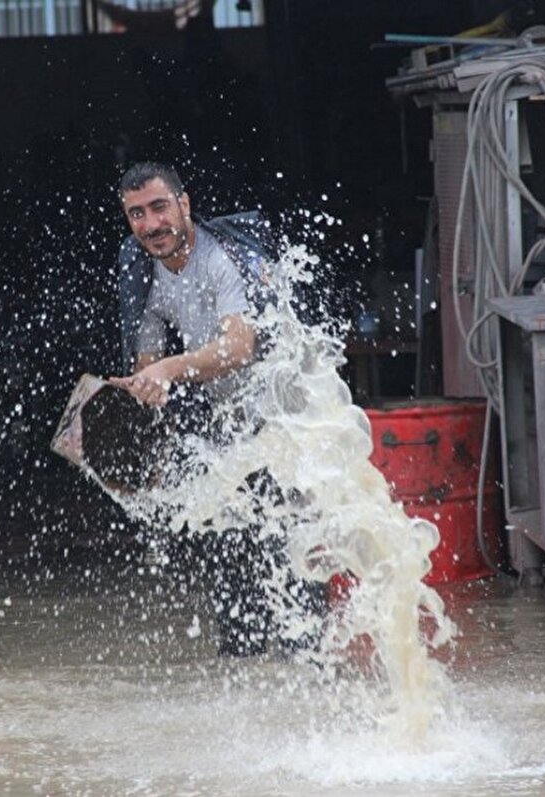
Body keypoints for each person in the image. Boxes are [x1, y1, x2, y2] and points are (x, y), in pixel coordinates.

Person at [107, 161, 323, 656]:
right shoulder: (140, 268)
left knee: (290, 554)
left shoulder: (220, 258)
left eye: (160, 207)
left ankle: (312, 675)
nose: (151, 224)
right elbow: (148, 356)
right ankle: (241, 670)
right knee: (225, 544)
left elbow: (239, 349)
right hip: (228, 420)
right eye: (136, 214)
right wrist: (146, 384)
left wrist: (167, 370)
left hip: (284, 416)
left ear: (184, 205)